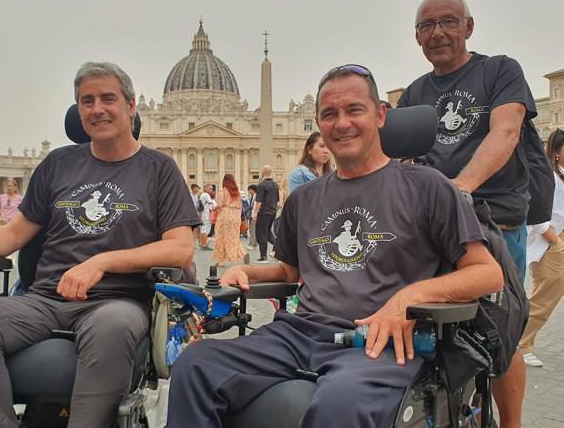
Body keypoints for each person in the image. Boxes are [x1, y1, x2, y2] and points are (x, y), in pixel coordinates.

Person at [166, 64, 502, 428]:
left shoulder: (428, 186)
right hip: (297, 335)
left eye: (354, 109)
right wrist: (245, 271)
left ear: (380, 115)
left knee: (338, 405)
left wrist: (408, 298)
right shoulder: (303, 198)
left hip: (375, 342)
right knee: (194, 365)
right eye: (330, 114)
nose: (342, 123)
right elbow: (290, 272)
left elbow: (487, 273)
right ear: (319, 123)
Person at [0, 61, 200, 428]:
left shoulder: (159, 169)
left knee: (111, 328)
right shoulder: (58, 163)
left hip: (116, 301)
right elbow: (14, 235)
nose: (97, 109)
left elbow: (180, 249)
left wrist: (102, 262)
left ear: (131, 106)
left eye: (107, 98)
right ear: (78, 111)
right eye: (86, 101)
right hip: (44, 299)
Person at [396, 0, 534, 428]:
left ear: (468, 27)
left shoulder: (499, 71)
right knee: (428, 321)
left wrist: (459, 189)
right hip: (434, 228)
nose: (438, 32)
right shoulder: (415, 93)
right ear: (417, 37)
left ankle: (510, 423)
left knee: (501, 333)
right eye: (427, 25)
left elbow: (506, 132)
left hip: (495, 216)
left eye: (449, 22)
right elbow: (396, 163)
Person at [519, 129, 564, 367]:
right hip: (550, 242)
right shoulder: (551, 177)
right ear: (556, 153)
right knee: (545, 296)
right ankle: (521, 343)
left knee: (548, 295)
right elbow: (537, 209)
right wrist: (554, 240)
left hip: (558, 240)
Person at [212, 174, 246, 267]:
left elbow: (220, 204)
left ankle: (221, 261)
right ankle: (243, 254)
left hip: (225, 215)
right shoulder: (237, 192)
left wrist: (213, 209)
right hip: (235, 216)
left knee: (221, 237)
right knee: (234, 238)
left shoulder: (222, 191)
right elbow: (240, 206)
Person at [254, 165, 280, 263]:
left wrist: (255, 213)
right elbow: (277, 200)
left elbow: (259, 201)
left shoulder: (261, 185)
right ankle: (279, 247)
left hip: (264, 212)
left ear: (263, 172)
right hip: (272, 212)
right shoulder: (275, 184)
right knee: (268, 233)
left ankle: (263, 256)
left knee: (261, 234)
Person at [198, 184, 215, 250]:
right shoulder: (207, 195)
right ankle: (205, 245)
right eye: (210, 189)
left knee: (203, 229)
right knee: (206, 230)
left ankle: (202, 245)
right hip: (207, 214)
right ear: (205, 188)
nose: (211, 190)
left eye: (211, 189)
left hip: (203, 214)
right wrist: (212, 212)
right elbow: (210, 204)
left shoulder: (202, 195)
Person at [246, 184, 258, 250]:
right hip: (252, 215)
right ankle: (255, 244)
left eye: (249, 190)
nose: (249, 192)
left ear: (252, 189)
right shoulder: (253, 196)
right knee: (252, 230)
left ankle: (252, 244)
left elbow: (255, 207)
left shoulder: (256, 197)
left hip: (254, 215)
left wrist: (255, 215)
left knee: (252, 230)